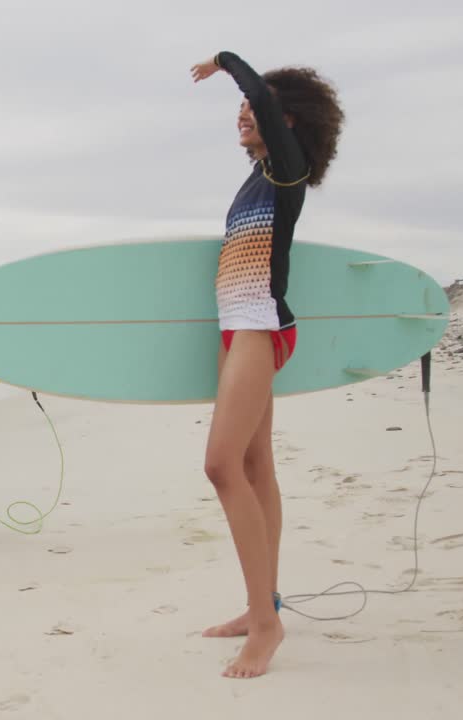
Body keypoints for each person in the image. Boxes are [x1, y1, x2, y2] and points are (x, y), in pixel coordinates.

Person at [189, 52, 345, 678]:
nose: (243, 113)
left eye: (257, 108)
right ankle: (264, 607)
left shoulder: (288, 169)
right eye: (242, 107)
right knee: (253, 467)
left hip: (260, 327)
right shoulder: (258, 178)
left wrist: (228, 63)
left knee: (219, 465)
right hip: (238, 328)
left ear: (288, 121)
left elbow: (268, 112)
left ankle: (266, 622)